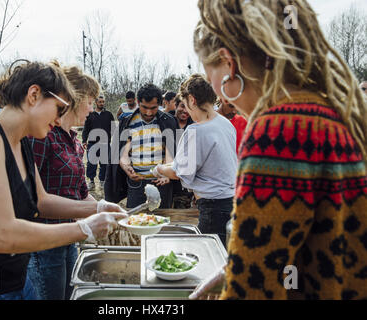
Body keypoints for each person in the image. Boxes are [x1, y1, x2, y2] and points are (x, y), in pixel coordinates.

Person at [189, 0, 367, 300]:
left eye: (212, 79)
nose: (220, 99)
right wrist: (235, 267)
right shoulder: (342, 115)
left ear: (229, 64)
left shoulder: (278, 131)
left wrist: (241, 276)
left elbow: (252, 292)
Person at [0, 60, 127, 300]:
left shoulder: (21, 142)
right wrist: (83, 229)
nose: (59, 119)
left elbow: (41, 202)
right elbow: (0, 235)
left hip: (15, 283)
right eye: (60, 108)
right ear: (34, 95)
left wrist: (97, 207)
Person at [27, 65, 100, 300]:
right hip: (44, 244)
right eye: (90, 101)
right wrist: (99, 210)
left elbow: (81, 193)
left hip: (69, 238)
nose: (92, 108)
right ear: (74, 98)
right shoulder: (43, 134)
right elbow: (30, 195)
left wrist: (110, 209)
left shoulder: (74, 140)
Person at [155, 74, 237, 243]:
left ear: (192, 100)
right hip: (232, 203)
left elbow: (178, 172)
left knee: (211, 257)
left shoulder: (196, 131)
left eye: (185, 104)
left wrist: (158, 169)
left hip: (213, 208)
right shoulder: (226, 123)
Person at [104, 83, 178, 208]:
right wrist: (126, 167)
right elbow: (123, 153)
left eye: (153, 108)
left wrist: (167, 172)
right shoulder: (128, 122)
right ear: (138, 102)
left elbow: (170, 151)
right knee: (135, 220)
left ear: (160, 104)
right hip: (137, 184)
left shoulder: (167, 121)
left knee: (162, 221)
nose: (149, 112)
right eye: (145, 107)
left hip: (161, 183)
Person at [82, 95, 115, 189]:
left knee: (104, 164)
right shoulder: (90, 114)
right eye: (100, 102)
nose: (102, 103)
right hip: (92, 143)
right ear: (96, 102)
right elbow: (86, 129)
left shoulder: (108, 114)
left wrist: (111, 138)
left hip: (105, 143)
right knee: (91, 163)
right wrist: (84, 140)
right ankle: (91, 182)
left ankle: (102, 181)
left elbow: (113, 129)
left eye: (103, 102)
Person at [171, 95, 194, 209]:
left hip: (184, 180)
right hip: (165, 178)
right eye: (182, 106)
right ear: (176, 105)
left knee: (181, 214)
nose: (185, 110)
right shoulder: (166, 121)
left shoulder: (194, 124)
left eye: (188, 107)